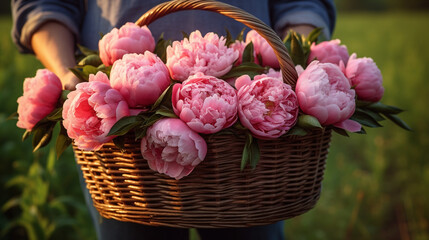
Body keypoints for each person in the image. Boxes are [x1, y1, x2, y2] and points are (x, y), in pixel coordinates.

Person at [11, 0, 336, 239]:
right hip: (120, 138)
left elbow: (302, 3)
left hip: (258, 144)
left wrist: (292, 63)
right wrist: (69, 76)